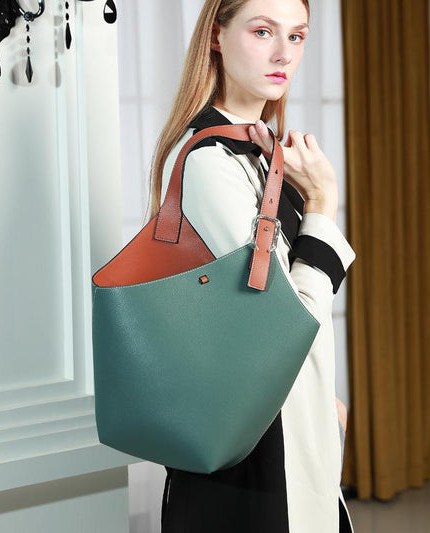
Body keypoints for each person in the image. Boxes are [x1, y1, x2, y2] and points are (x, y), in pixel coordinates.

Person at [147, 0, 356, 531]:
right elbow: (284, 319)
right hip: (252, 443)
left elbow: (257, 306)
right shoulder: (210, 160)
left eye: (297, 36)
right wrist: (323, 203)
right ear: (216, 36)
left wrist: (319, 394)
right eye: (263, 31)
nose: (284, 53)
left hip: (274, 417)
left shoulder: (257, 150)